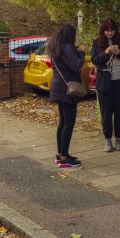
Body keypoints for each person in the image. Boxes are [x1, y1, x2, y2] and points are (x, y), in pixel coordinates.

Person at [90, 18, 120, 152]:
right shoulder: (97, 43)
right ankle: (108, 140)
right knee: (106, 112)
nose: (110, 33)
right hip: (105, 83)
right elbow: (95, 60)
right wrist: (106, 52)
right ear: (102, 30)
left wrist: (119, 52)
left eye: (112, 30)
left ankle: (119, 140)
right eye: (107, 30)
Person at [48, 23, 85, 169]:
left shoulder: (56, 47)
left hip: (59, 87)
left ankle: (61, 154)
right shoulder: (67, 47)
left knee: (63, 122)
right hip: (67, 90)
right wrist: (81, 53)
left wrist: (76, 50)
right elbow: (76, 65)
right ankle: (65, 159)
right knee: (69, 123)